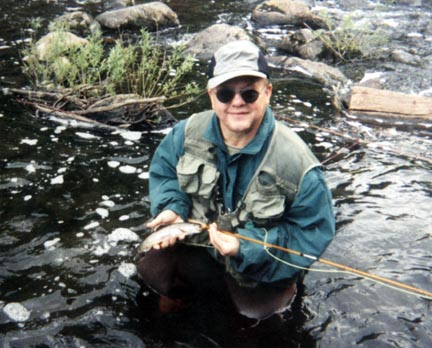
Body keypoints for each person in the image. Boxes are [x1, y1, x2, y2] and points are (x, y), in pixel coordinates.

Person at [135, 40, 335, 320]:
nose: (237, 102)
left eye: (249, 93)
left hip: (259, 267)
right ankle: (174, 300)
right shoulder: (184, 134)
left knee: (255, 316)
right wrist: (172, 207)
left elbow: (310, 235)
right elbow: (166, 174)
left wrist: (245, 247)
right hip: (198, 246)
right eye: (226, 93)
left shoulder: (299, 165)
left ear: (267, 92)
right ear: (211, 95)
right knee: (151, 261)